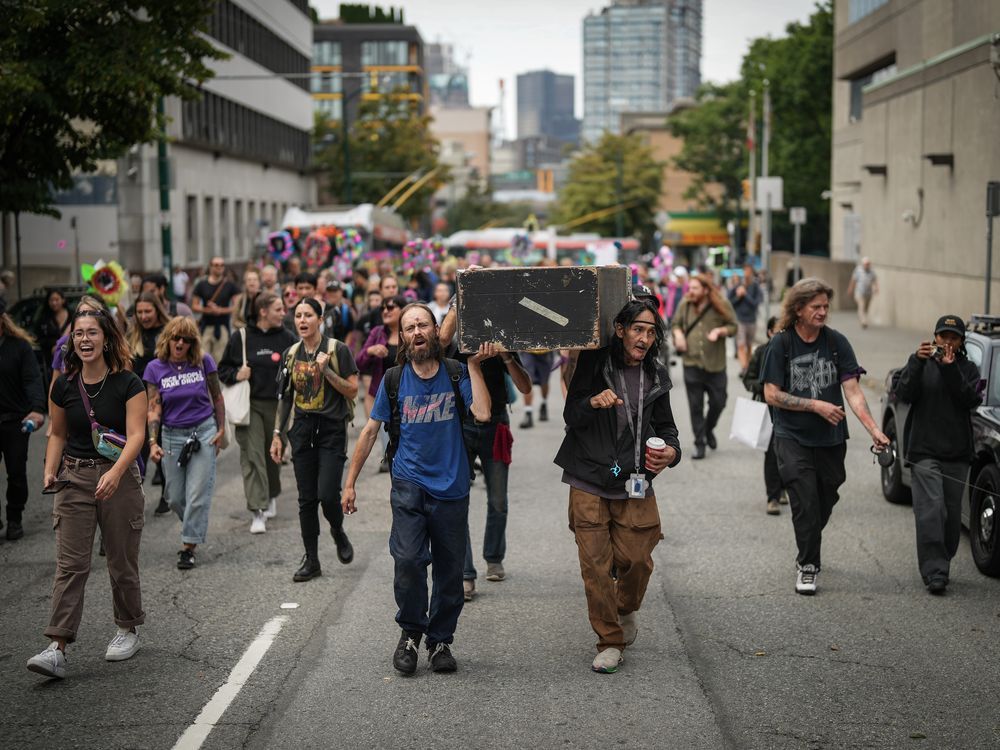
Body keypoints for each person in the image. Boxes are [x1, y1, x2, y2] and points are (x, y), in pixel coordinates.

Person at [342, 302, 492, 676]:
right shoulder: (394, 380)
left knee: (449, 570)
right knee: (407, 561)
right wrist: (349, 484)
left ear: (435, 329)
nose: (417, 332)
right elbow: (370, 431)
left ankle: (440, 640)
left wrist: (475, 365)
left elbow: (484, 414)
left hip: (452, 487)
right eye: (409, 328)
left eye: (422, 324)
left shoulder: (457, 373)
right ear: (403, 338)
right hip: (408, 485)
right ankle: (410, 632)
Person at [555, 299, 681, 673]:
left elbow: (669, 429)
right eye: (638, 329)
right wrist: (592, 401)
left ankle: (625, 608)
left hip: (635, 479)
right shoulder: (594, 364)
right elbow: (571, 415)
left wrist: (672, 452)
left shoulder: (656, 375)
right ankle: (609, 640)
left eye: (651, 331)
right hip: (589, 477)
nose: (644, 337)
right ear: (621, 330)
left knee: (637, 560)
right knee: (595, 566)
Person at [28, 307, 147, 679]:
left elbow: (137, 435)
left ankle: (128, 628)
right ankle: (57, 647)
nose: (84, 340)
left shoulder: (129, 382)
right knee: (71, 564)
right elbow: (58, 434)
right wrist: (50, 469)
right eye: (78, 334)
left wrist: (114, 472)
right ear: (71, 341)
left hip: (120, 479)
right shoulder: (63, 385)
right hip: (75, 478)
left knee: (120, 561)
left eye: (92, 333)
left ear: (107, 338)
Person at [761, 278, 889, 595]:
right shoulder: (782, 344)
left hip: (831, 440)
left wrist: (875, 430)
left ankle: (809, 539)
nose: (822, 312)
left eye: (825, 306)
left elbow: (853, 391)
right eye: (816, 306)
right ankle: (808, 566)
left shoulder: (836, 342)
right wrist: (815, 405)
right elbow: (772, 395)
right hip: (792, 437)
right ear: (799, 309)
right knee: (804, 501)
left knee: (825, 499)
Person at [439, 306, 532, 601]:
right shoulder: (454, 344)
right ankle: (466, 574)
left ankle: (494, 558)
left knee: (498, 500)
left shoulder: (502, 338)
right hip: (461, 425)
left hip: (496, 426)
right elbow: (440, 342)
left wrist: (505, 355)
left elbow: (525, 386)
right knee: (457, 500)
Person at [270, 298, 359, 581]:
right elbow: (285, 398)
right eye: (298, 315)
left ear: (320, 319)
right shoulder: (291, 354)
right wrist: (277, 435)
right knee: (306, 499)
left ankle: (337, 530)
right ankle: (312, 560)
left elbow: (353, 390)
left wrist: (327, 371)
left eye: (308, 315)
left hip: (332, 428)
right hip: (302, 428)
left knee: (326, 494)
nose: (302, 320)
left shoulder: (337, 350)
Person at [893, 315, 982, 594]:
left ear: (961, 342)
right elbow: (904, 393)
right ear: (934, 338)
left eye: (953, 337)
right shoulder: (920, 362)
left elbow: (970, 399)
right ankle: (935, 572)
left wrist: (950, 368)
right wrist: (916, 362)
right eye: (943, 336)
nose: (947, 342)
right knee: (931, 509)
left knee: (951, 516)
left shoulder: (968, 369)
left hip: (956, 452)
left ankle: (941, 558)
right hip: (924, 450)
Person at [144, 316, 226, 571]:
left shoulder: (204, 362)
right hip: (171, 435)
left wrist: (221, 428)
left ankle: (188, 547)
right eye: (176, 338)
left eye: (187, 340)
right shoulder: (155, 368)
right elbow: (153, 408)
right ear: (167, 339)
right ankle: (194, 523)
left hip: (203, 431)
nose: (180, 343)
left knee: (197, 495)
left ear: (193, 344)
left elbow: (217, 397)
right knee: (175, 497)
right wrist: (152, 442)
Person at [219, 292, 296, 534]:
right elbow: (222, 369)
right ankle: (257, 510)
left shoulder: (288, 338)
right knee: (252, 456)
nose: (283, 313)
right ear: (263, 311)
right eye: (278, 309)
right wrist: (236, 374)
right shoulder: (241, 337)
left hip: (278, 406)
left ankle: (271, 493)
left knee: (273, 454)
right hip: (249, 405)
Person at [671, 273, 737, 460]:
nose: (690, 292)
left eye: (695, 288)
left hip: (716, 365)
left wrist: (720, 330)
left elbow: (733, 326)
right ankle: (699, 443)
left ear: (706, 290)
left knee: (719, 401)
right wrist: (678, 335)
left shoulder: (722, 304)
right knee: (695, 406)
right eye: (689, 288)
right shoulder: (685, 304)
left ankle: (708, 429)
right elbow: (675, 323)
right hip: (691, 363)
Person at [0, 297, 47, 540]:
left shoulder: (19, 347)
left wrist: (37, 408)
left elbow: (32, 379)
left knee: (16, 473)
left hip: (14, 421)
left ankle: (14, 517)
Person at [126, 292, 172, 510]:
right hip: (138, 397)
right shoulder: (132, 334)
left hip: (165, 396)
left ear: (157, 310)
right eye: (140, 312)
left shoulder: (167, 332)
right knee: (139, 446)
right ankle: (136, 492)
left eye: (148, 311)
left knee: (161, 443)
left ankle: (166, 492)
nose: (144, 316)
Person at [743, 316, 787, 516]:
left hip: (790, 410)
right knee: (771, 454)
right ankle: (773, 497)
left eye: (785, 331)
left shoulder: (793, 352)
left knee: (790, 453)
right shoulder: (761, 352)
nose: (781, 335)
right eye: (778, 331)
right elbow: (748, 379)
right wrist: (765, 388)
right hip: (768, 410)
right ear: (769, 332)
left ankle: (785, 487)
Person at [357, 294, 405, 469]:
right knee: (388, 442)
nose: (386, 311)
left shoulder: (409, 331)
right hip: (384, 396)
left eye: (391, 307)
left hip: (409, 394)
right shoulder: (377, 333)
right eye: (383, 308)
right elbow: (358, 363)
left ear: (402, 310)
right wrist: (370, 350)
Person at [191, 257, 238, 362]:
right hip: (206, 326)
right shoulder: (201, 284)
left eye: (222, 265)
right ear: (210, 267)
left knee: (220, 359)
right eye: (216, 265)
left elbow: (237, 307)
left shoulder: (229, 285)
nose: (219, 268)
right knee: (202, 358)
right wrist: (208, 310)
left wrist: (220, 310)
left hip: (222, 327)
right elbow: (194, 306)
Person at [728, 264, 762, 375]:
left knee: (749, 345)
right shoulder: (738, 285)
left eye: (749, 272)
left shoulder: (756, 287)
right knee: (741, 344)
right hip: (740, 320)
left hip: (751, 320)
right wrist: (738, 296)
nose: (746, 274)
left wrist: (745, 295)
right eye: (745, 271)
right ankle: (744, 367)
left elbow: (755, 304)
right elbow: (730, 302)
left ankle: (747, 365)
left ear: (752, 273)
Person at [37, 289, 71, 382]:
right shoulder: (44, 319)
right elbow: (40, 338)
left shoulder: (72, 316)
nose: (54, 303)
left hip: (71, 358)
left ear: (63, 300)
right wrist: (52, 346)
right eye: (51, 300)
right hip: (51, 360)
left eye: (57, 299)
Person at [519, 350, 555, 429]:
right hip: (528, 348)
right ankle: (528, 413)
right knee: (527, 380)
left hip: (546, 349)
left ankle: (544, 403)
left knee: (544, 382)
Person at [846, 257, 878, 329]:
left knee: (866, 308)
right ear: (863, 264)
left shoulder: (872, 271)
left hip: (868, 293)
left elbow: (875, 280)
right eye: (866, 264)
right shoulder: (858, 270)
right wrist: (850, 289)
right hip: (859, 292)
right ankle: (864, 321)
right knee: (861, 306)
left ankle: (863, 319)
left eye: (868, 264)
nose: (867, 265)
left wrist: (876, 288)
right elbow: (853, 280)